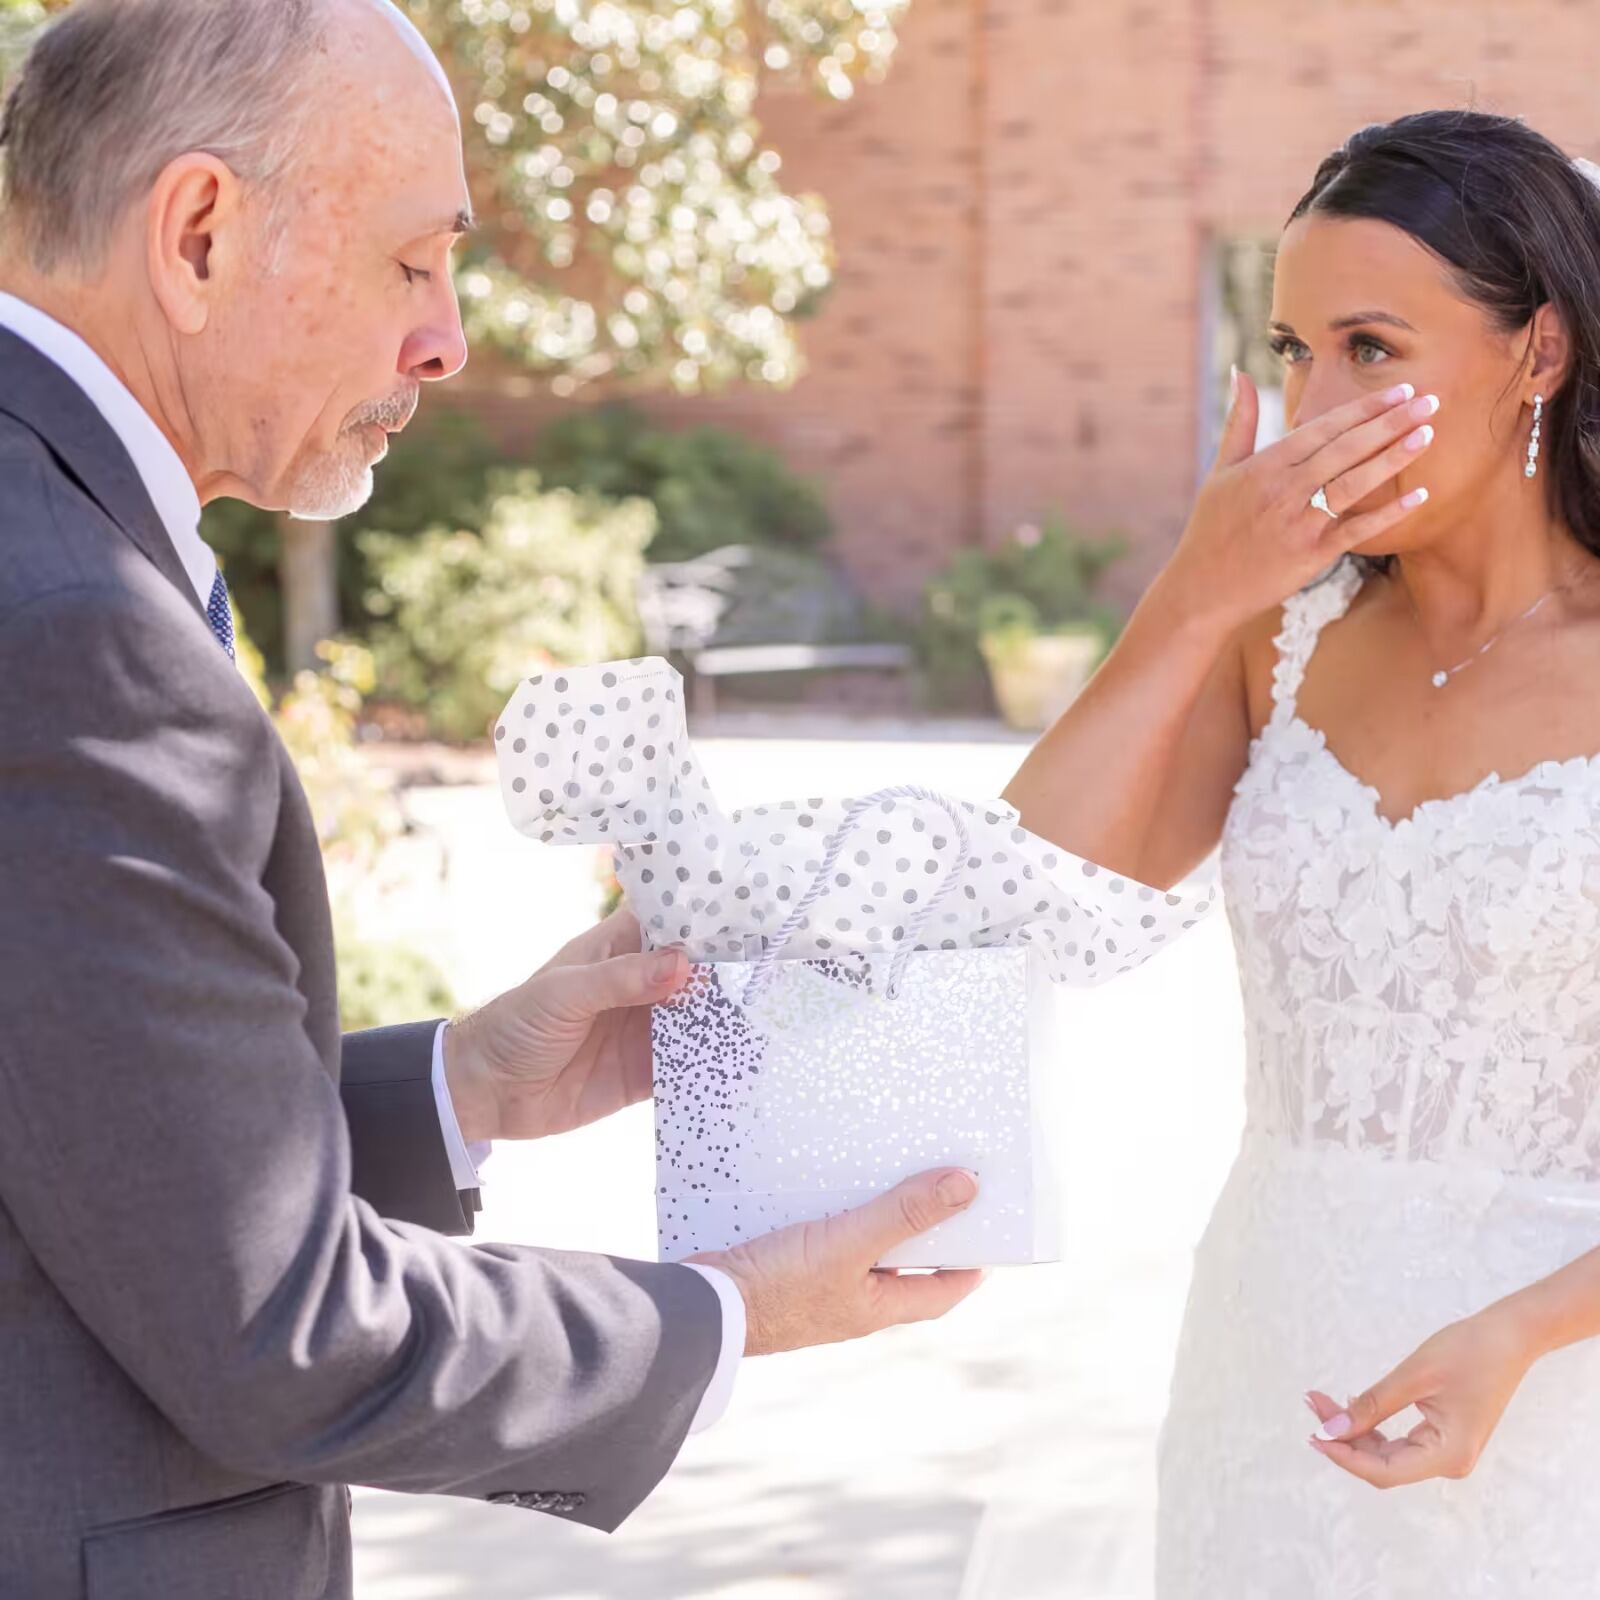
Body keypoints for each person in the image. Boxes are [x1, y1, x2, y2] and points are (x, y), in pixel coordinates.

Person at [0, 3, 984, 1595]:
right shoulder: (74, 628)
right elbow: (280, 1332)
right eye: (413, 262)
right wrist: (732, 1312)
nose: (448, 339)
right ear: (197, 234)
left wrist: (465, 1087)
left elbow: (82, 1148)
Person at [1004, 109, 1600, 1596]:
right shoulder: (1282, 637)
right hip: (1267, 1374)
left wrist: (1522, 1331)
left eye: (1372, 350)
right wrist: (1194, 599)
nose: (1315, 407)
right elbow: (1028, 901)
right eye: (1291, 351)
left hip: (1554, 1398)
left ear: (1539, 353)